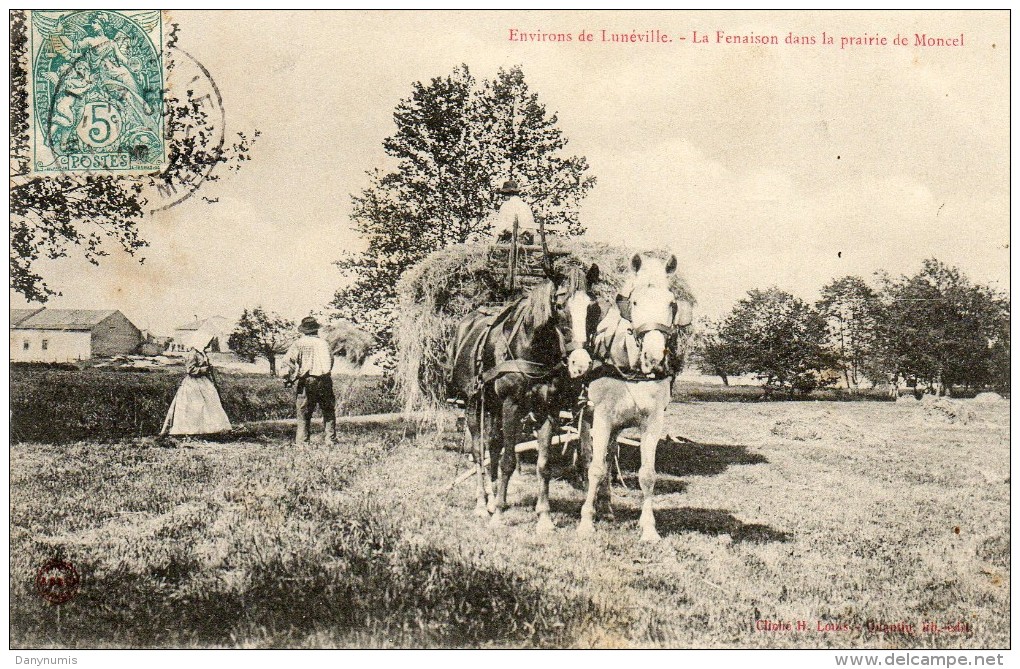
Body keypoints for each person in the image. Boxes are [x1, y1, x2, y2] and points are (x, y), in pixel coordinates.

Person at [160, 332, 231, 437]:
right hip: (193, 383)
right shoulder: (192, 353)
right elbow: (190, 370)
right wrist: (204, 369)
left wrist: (208, 368)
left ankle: (209, 429)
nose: (208, 344)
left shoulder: (201, 353)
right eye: (207, 342)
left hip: (203, 381)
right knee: (194, 406)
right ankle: (191, 430)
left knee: (210, 402)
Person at [281, 316, 336, 445]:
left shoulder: (299, 343)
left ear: (304, 330)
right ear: (316, 330)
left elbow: (288, 362)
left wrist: (287, 378)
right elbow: (331, 361)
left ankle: (303, 443)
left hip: (307, 381)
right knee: (328, 411)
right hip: (325, 380)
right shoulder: (324, 343)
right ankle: (330, 440)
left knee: (303, 413)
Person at [491, 180, 537, 244]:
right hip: (526, 242)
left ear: (508, 194)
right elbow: (532, 230)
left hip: (512, 242)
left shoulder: (506, 205)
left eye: (504, 194)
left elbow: (500, 228)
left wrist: (493, 245)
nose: (503, 197)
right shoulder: (525, 205)